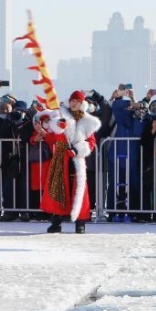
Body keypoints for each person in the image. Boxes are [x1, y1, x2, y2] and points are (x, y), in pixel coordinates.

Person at [38, 91, 101, 233]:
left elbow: (90, 142)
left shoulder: (88, 121)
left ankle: (80, 222)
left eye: (77, 101)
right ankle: (56, 221)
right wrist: (48, 131)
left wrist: (78, 150)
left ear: (82, 104)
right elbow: (52, 138)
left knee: (79, 190)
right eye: (72, 100)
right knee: (58, 189)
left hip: (76, 159)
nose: (74, 103)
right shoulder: (60, 116)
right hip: (60, 158)